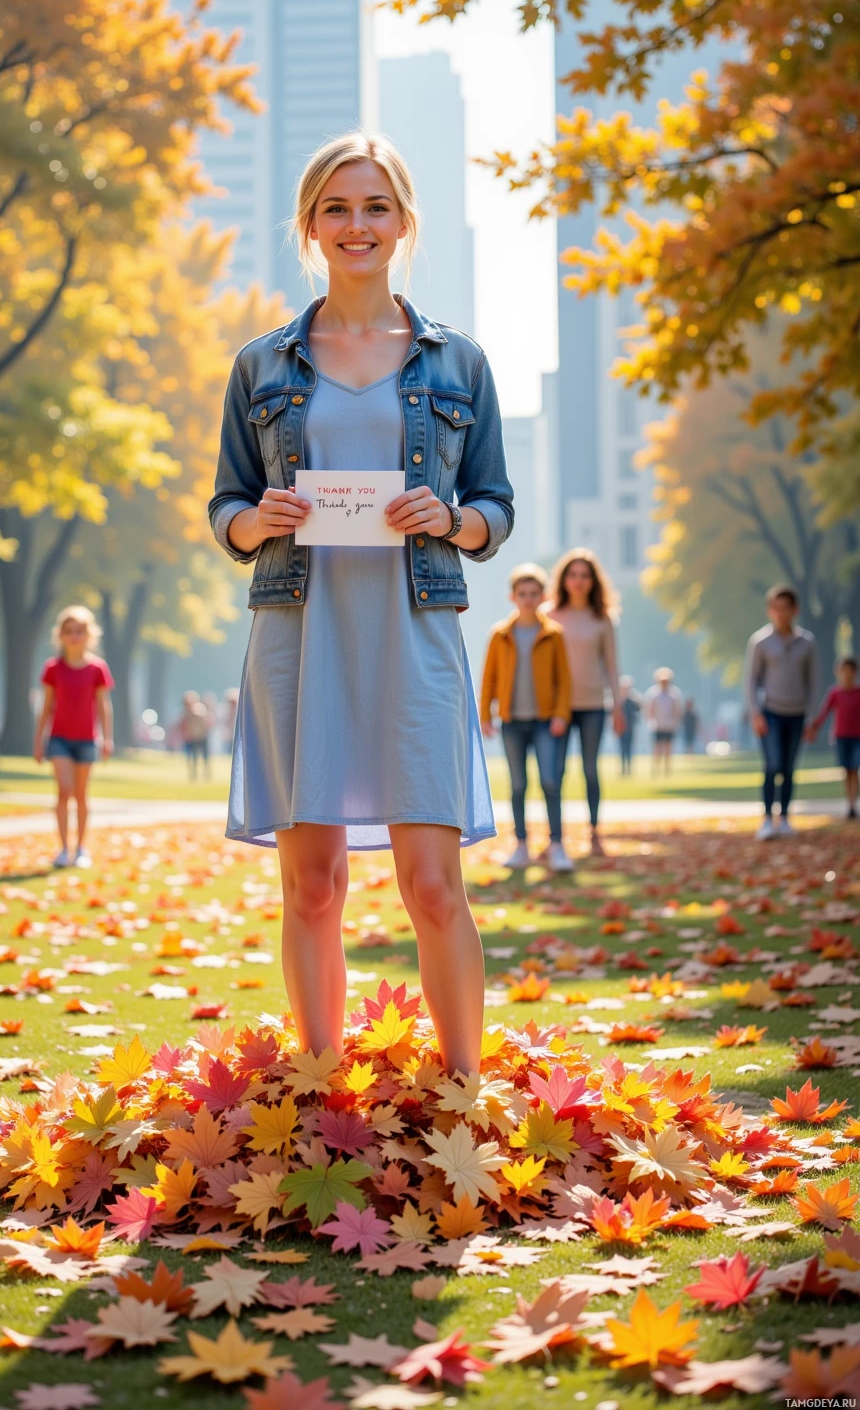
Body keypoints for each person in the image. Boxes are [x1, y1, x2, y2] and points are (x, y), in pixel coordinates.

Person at [208, 131, 513, 1075]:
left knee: (432, 883)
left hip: (413, 631)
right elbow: (225, 502)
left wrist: (455, 518)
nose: (357, 224)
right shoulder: (262, 365)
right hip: (299, 632)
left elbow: (496, 504)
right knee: (312, 887)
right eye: (338, 208)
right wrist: (253, 522)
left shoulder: (457, 362)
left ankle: (464, 1089)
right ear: (310, 226)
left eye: (375, 206)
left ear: (404, 223)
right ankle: (318, 1084)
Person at [479, 563, 572, 873]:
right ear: (512, 596)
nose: (529, 599)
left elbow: (564, 680)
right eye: (523, 594)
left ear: (543, 596)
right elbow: (488, 679)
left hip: (546, 721)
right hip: (512, 722)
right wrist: (485, 716)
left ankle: (557, 845)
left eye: (534, 594)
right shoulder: (500, 635)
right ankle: (521, 846)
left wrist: (561, 715)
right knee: (518, 785)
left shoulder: (553, 635)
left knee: (550, 781)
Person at [543, 549, 624, 856]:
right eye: (573, 575)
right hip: (558, 709)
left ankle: (594, 833)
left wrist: (617, 706)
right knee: (555, 772)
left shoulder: (604, 618)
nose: (578, 581)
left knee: (590, 770)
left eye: (584, 576)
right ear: (564, 579)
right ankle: (556, 839)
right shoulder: (548, 615)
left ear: (593, 581)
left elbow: (613, 666)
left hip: (593, 706)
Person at [33, 605, 114, 869]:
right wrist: (38, 740)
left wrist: (107, 737)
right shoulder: (52, 668)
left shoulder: (97, 668)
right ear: (61, 635)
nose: (74, 636)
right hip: (59, 739)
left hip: (87, 740)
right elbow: (45, 707)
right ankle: (63, 849)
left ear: (88, 635)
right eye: (69, 631)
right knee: (64, 791)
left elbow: (103, 706)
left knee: (81, 795)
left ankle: (81, 848)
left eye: (79, 631)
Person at [745, 583, 820, 840]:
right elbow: (751, 681)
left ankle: (785, 818)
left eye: (785, 608)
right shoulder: (761, 642)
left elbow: (813, 683)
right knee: (772, 764)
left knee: (788, 767)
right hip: (770, 713)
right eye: (775, 608)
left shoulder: (806, 643)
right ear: (770, 611)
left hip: (797, 713)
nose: (780, 613)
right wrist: (755, 713)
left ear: (794, 610)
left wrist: (811, 718)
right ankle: (767, 819)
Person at [808, 656, 860, 820]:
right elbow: (824, 713)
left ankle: (853, 802)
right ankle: (850, 805)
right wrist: (814, 727)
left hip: (857, 737)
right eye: (843, 671)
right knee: (847, 770)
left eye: (849, 671)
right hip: (841, 737)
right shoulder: (835, 693)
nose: (846, 674)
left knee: (855, 768)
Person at [643, 666, 684, 776]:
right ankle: (655, 769)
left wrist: (676, 721)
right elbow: (649, 710)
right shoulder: (653, 693)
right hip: (657, 725)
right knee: (657, 748)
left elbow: (677, 710)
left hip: (669, 725)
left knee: (667, 749)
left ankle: (667, 769)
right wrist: (650, 721)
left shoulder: (674, 694)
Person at [172, 691, 212, 780]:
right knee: (192, 756)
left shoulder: (198, 710)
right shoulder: (185, 712)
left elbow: (206, 722)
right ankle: (193, 774)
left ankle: (206, 773)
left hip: (201, 737)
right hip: (191, 737)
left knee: (204, 756)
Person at [617, 676, 640, 774]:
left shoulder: (632, 701)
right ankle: (623, 769)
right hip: (621, 728)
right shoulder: (618, 701)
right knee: (622, 749)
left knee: (629, 749)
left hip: (630, 728)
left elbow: (640, 707)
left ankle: (629, 769)